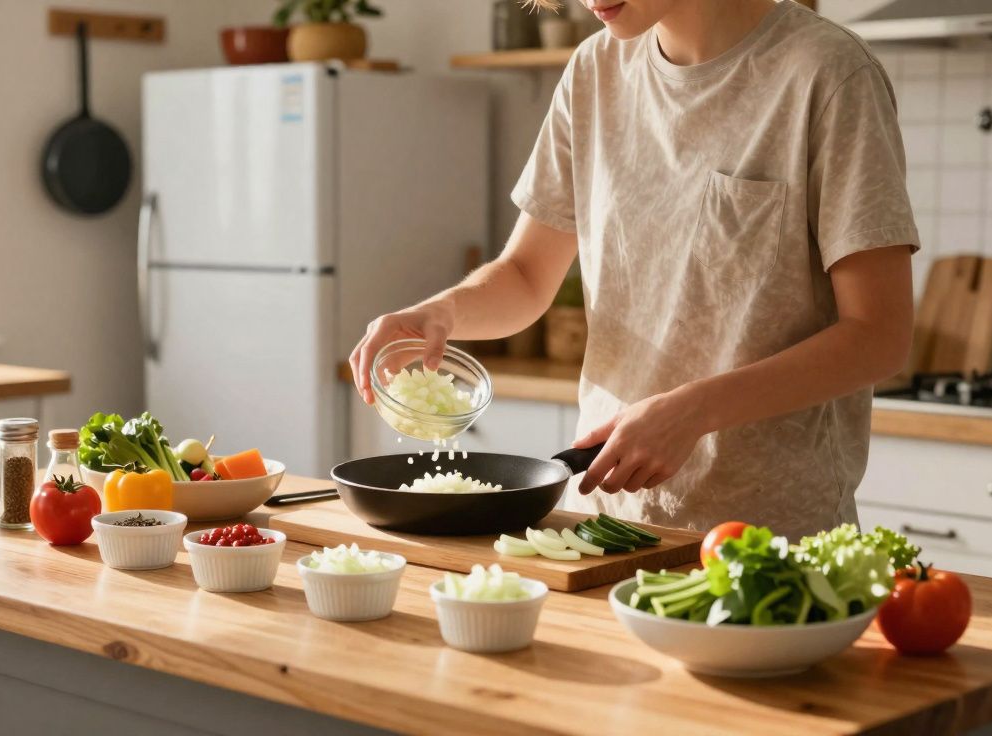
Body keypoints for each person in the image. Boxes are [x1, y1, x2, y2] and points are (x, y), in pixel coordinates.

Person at [349, 0, 918, 541]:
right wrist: (440, 311)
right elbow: (525, 274)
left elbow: (879, 336)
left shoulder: (829, 73)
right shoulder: (594, 70)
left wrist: (693, 411)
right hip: (605, 523)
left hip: (770, 538)